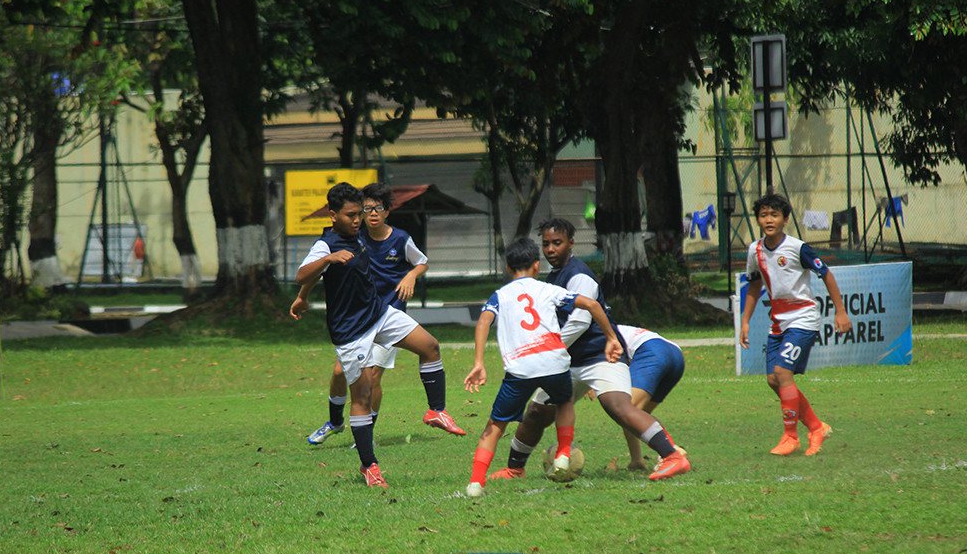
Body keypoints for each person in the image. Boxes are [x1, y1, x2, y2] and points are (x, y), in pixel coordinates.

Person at [489, 218, 691, 482]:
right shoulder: (553, 277)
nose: (550, 249)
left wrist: (545, 348)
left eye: (557, 243)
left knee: (618, 406)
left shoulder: (579, 275)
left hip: (599, 355)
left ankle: (673, 457)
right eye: (546, 244)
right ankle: (515, 469)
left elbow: (581, 322)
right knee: (537, 412)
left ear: (571, 244)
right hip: (567, 362)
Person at [293, 182, 464, 490]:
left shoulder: (360, 235)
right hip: (350, 332)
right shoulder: (327, 245)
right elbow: (302, 274)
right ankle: (369, 466)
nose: (358, 220)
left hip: (380, 313)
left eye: (360, 214)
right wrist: (319, 273)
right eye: (351, 215)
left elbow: (396, 245)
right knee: (362, 395)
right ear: (333, 216)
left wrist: (304, 297)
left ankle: (436, 411)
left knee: (430, 346)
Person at [462, 238, 623, 497]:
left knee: (496, 424)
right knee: (564, 403)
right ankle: (562, 454)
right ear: (537, 266)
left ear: (507, 268)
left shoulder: (500, 296)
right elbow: (592, 305)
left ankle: (476, 483)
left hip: (520, 369)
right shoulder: (548, 289)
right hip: (554, 362)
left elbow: (483, 321)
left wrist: (479, 362)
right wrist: (612, 338)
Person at [739, 193, 852, 456]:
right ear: (758, 219)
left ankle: (791, 436)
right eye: (764, 215)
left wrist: (841, 312)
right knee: (772, 380)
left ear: (785, 219)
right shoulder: (755, 250)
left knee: (782, 372)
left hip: (803, 317)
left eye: (774, 215)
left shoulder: (797, 248)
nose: (769, 220)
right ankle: (816, 427)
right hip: (777, 321)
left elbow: (826, 274)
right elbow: (755, 285)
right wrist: (745, 321)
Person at [612, 323, 686, 472]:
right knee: (636, 416)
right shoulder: (606, 327)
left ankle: (673, 451)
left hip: (652, 352)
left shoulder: (594, 334)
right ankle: (636, 460)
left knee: (627, 409)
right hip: (674, 354)